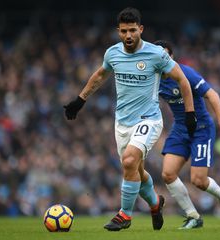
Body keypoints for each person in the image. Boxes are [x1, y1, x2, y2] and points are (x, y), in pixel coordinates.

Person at [63, 7, 197, 231]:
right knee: (135, 170)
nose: (128, 35)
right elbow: (99, 76)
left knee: (129, 161)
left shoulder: (156, 54)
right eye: (124, 31)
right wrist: (80, 100)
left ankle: (125, 214)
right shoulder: (112, 53)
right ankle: (155, 204)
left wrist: (190, 113)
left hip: (149, 119)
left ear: (141, 29)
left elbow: (182, 80)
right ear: (118, 31)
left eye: (133, 30)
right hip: (122, 123)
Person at [154, 40, 220, 229]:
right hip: (180, 128)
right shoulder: (155, 79)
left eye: (166, 56)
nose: (162, 60)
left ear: (172, 57)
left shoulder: (186, 73)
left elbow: (213, 95)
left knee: (198, 180)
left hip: (201, 128)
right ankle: (193, 216)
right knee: (168, 174)